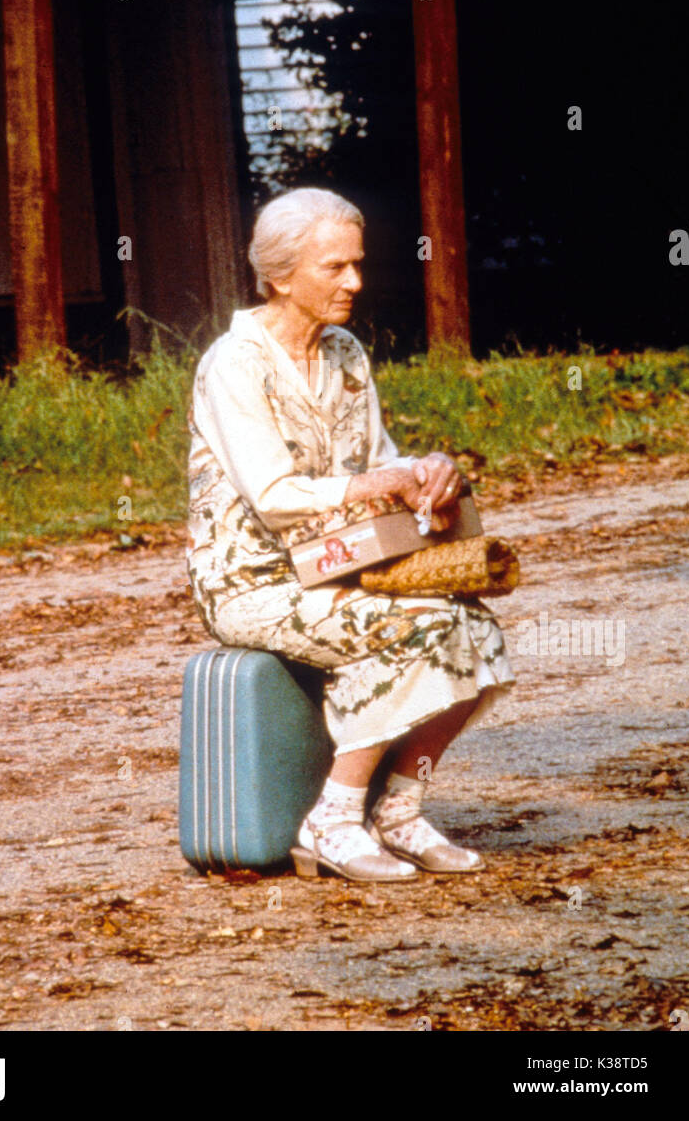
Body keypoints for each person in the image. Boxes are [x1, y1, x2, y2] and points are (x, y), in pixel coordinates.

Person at [186, 187, 515, 883]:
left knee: (478, 631)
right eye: (335, 268)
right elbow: (275, 499)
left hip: (338, 565)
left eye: (356, 264)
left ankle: (398, 808)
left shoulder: (344, 353)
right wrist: (374, 487)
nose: (355, 282)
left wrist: (425, 470)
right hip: (253, 584)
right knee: (420, 626)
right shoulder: (234, 364)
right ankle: (331, 820)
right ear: (280, 276)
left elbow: (377, 459)